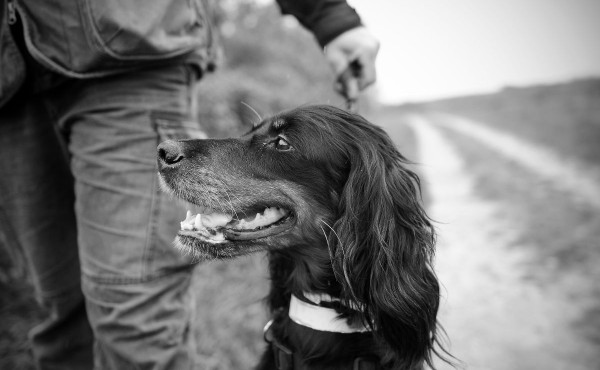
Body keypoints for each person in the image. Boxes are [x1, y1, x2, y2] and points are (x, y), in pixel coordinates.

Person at [0, 0, 379, 368]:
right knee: (60, 317)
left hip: (126, 61)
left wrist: (331, 17)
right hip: (12, 91)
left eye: (278, 144)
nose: (172, 153)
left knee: (133, 317)